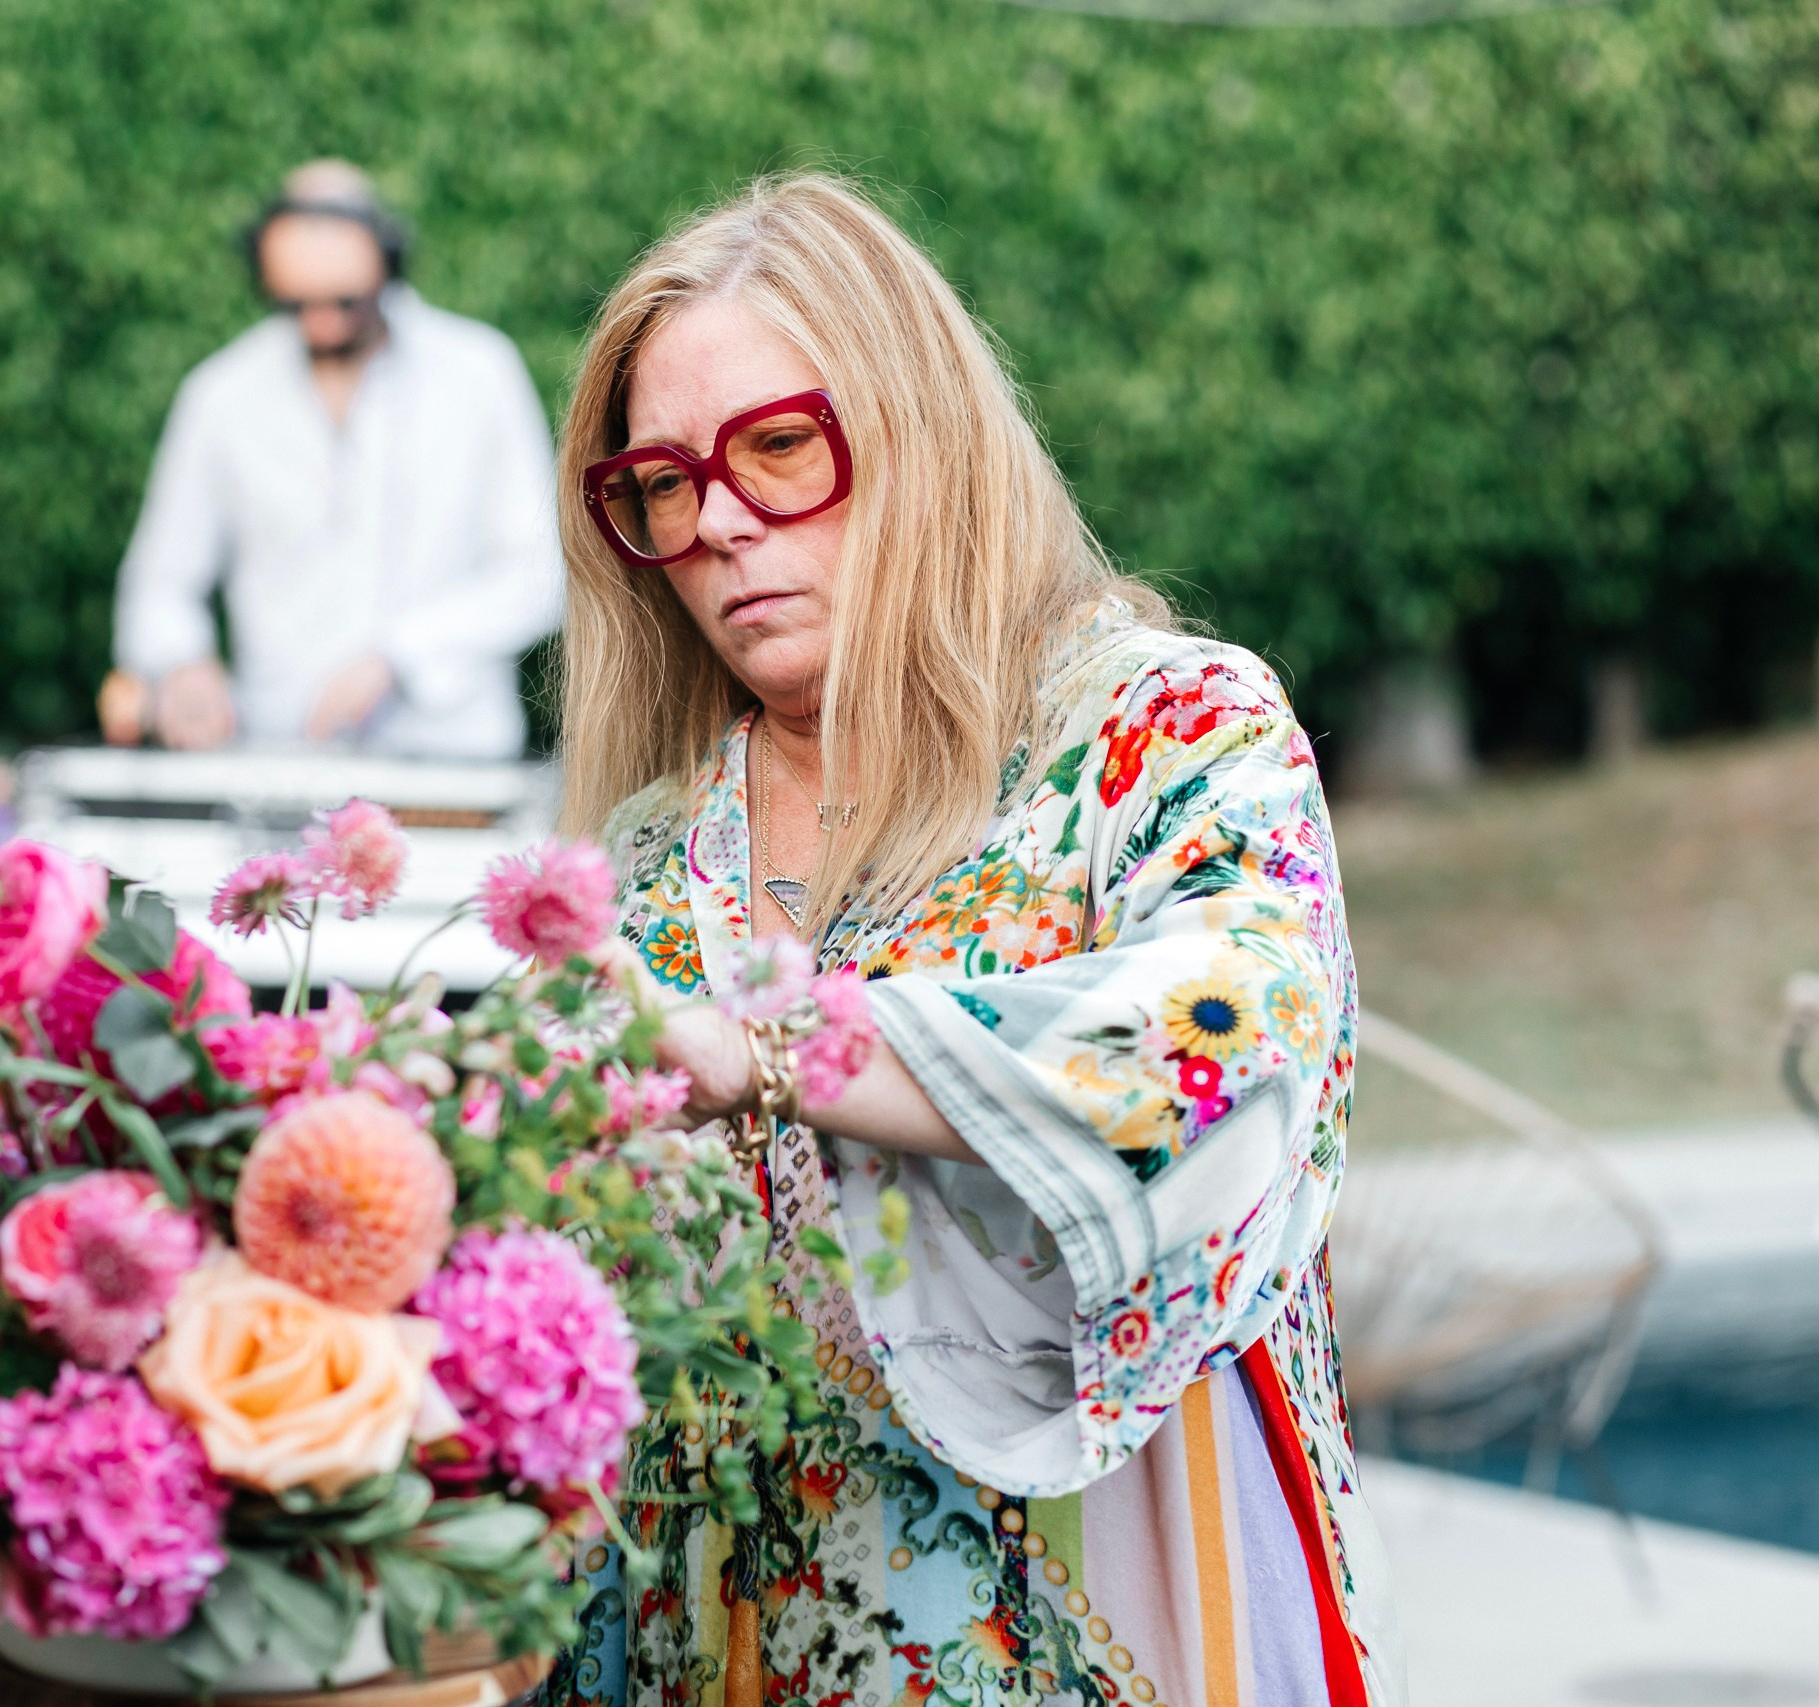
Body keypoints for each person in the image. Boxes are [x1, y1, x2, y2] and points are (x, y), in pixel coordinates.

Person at [555, 177, 1405, 1707]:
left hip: (1094, 1622)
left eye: (778, 447)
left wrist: (775, 1047)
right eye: (663, 485)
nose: (722, 522)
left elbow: (1237, 1035)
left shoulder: (1166, 730)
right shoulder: (648, 854)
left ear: (919, 427)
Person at [104, 160, 561, 759]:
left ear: (388, 262)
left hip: (453, 757)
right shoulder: (220, 395)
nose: (319, 321)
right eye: (297, 304)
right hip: (278, 756)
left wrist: (400, 655)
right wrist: (182, 664)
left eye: (342, 302)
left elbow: (541, 575)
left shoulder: (479, 372)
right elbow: (158, 587)